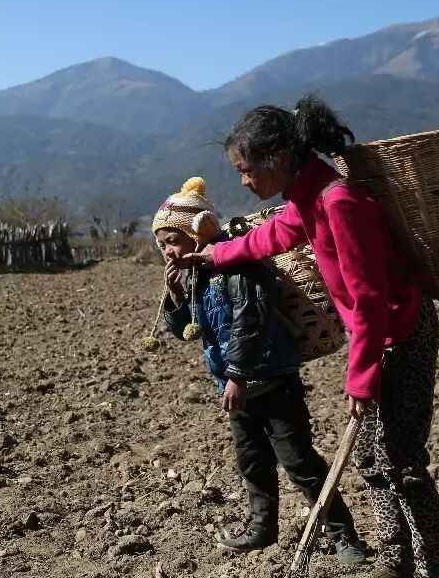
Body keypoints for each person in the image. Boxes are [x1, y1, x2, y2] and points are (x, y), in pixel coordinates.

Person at [183, 97, 439, 578]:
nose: (244, 181)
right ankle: (395, 558)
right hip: (378, 337)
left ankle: (434, 564)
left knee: (402, 459)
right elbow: (272, 237)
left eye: (246, 170)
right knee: (368, 455)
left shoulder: (338, 202)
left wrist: (361, 380)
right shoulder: (307, 199)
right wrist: (216, 256)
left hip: (402, 333)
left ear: (279, 158)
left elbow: (370, 299)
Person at [152, 177, 365, 566]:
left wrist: (237, 376)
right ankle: (262, 528)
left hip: (269, 378)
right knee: (252, 461)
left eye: (173, 241)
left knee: (299, 461)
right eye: (162, 244)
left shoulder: (238, 265)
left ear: (196, 232)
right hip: (235, 385)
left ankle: (344, 536)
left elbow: (251, 322)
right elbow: (189, 330)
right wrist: (177, 294)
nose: (167, 250)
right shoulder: (195, 274)